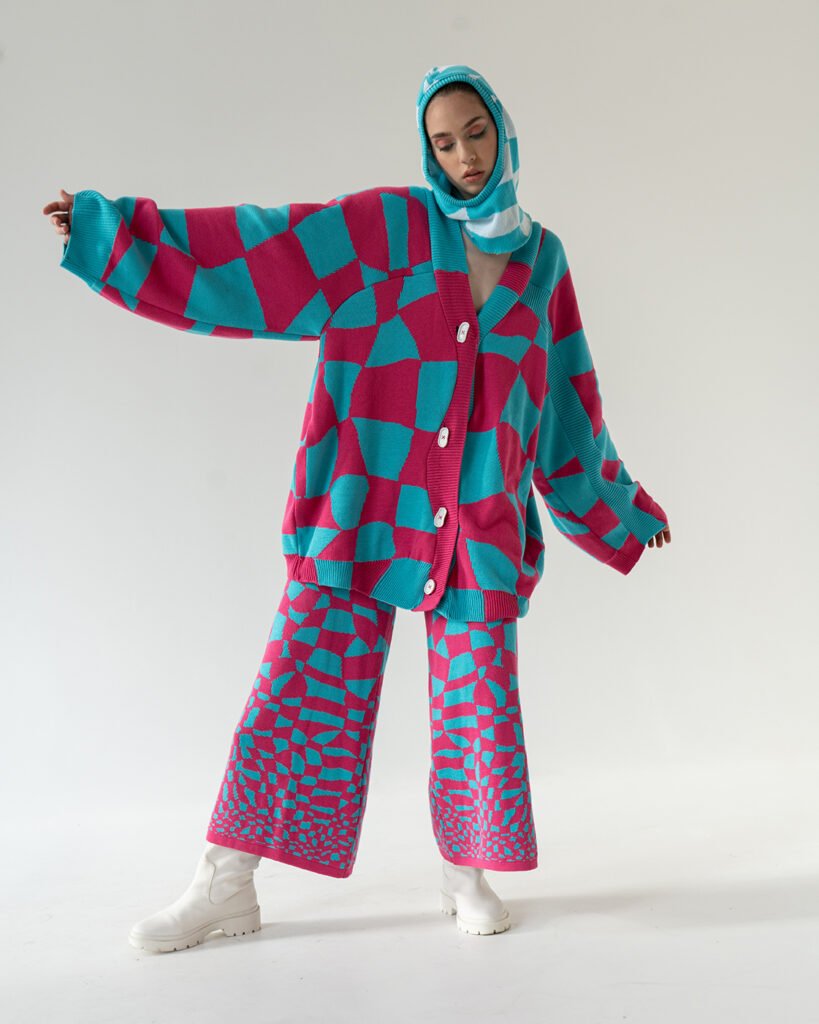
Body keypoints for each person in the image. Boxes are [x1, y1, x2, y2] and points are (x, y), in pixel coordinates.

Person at [43, 64, 671, 952]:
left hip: (478, 526)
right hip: (363, 505)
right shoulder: (383, 231)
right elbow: (258, 252)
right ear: (426, 149)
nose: (462, 155)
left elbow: (565, 399)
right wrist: (111, 232)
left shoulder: (543, 261)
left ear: (503, 133)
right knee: (297, 689)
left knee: (478, 704)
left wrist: (617, 505)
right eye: (443, 142)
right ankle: (226, 882)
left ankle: (466, 872)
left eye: (475, 134)